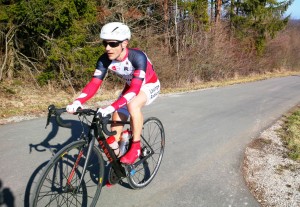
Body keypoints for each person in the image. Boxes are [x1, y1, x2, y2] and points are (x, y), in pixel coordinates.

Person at [66, 22, 160, 164]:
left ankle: (136, 146)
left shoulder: (137, 57)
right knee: (113, 136)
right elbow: (94, 84)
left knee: (133, 105)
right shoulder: (104, 60)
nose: (107, 48)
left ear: (124, 43)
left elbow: (136, 90)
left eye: (113, 44)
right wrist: (78, 101)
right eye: (105, 44)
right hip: (130, 87)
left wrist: (110, 107)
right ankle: (119, 164)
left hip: (148, 85)